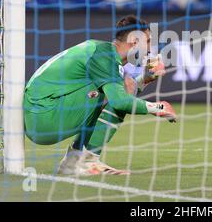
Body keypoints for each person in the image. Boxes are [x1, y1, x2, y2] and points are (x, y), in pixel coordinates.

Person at [23, 15, 176, 176]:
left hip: (39, 115)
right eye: (148, 41)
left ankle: (73, 161)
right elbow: (120, 101)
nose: (151, 48)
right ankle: (88, 161)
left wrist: (145, 79)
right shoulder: (104, 56)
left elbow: (124, 91)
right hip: (44, 118)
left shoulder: (101, 51)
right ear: (135, 41)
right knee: (119, 94)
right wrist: (157, 107)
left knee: (122, 87)